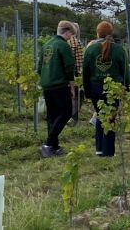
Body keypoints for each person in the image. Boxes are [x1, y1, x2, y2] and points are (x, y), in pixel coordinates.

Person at [82, 21, 130, 157]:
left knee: (100, 115)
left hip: (95, 88)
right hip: (114, 89)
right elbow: (125, 72)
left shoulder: (90, 49)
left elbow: (85, 72)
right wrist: (128, 89)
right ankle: (108, 151)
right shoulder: (119, 49)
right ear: (111, 33)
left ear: (97, 33)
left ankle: (99, 149)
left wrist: (87, 91)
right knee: (110, 118)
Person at [37, 21, 77, 158]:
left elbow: (39, 68)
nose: (70, 38)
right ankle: (48, 144)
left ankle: (53, 146)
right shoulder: (63, 45)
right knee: (66, 113)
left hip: (47, 85)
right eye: (71, 35)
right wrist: (72, 87)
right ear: (67, 32)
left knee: (52, 116)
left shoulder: (47, 44)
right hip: (60, 84)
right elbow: (68, 67)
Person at [67, 22, 85, 122]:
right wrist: (81, 76)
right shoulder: (76, 42)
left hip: (62, 73)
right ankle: (73, 117)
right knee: (77, 95)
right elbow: (79, 63)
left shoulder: (62, 41)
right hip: (74, 73)